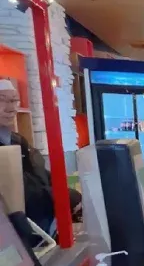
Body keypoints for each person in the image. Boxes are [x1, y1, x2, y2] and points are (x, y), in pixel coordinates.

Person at [0, 78, 82, 233]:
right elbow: (19, 191)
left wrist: (66, 193)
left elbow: (39, 173)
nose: (10, 108)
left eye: (14, 100)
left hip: (41, 226)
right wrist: (63, 196)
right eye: (1, 100)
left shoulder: (17, 140)